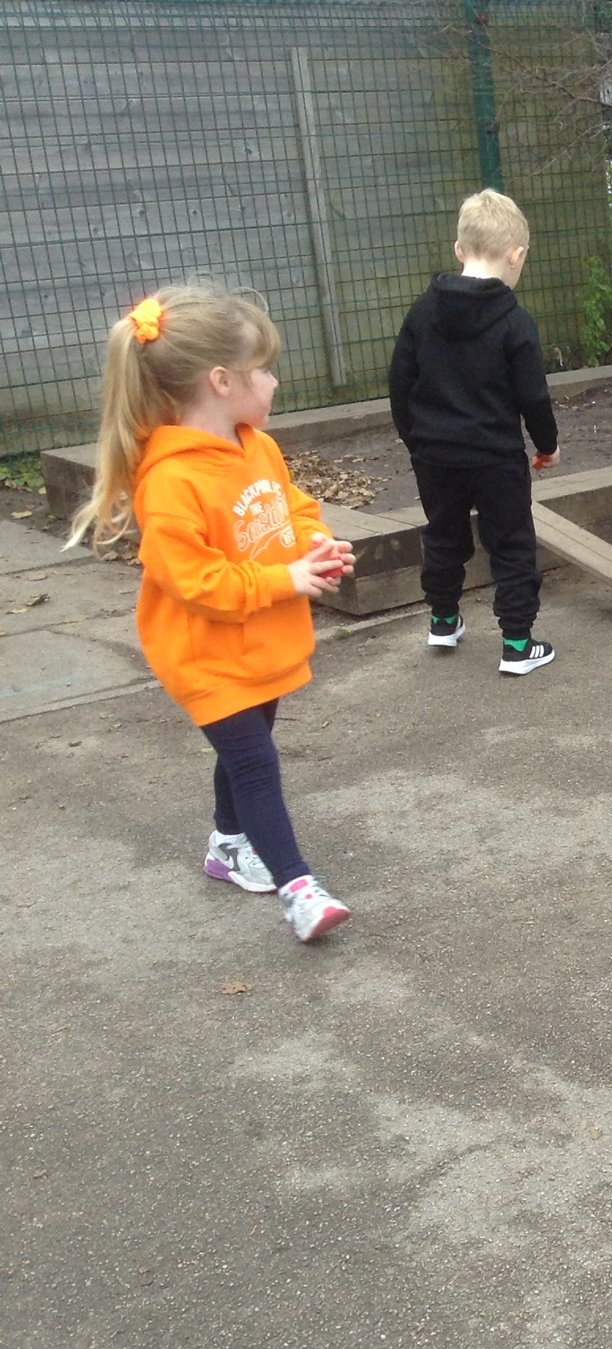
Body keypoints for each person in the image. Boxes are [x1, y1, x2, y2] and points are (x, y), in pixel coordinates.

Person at [70, 288, 355, 943]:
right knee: (255, 763)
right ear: (222, 382)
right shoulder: (169, 484)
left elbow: (293, 505)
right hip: (202, 650)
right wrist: (286, 577)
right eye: (262, 368)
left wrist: (314, 539)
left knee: (247, 749)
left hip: (261, 638)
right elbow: (195, 582)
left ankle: (229, 845)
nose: (274, 379)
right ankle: (299, 889)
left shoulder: (257, 447)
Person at [389, 188, 560, 675]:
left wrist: (415, 438)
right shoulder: (515, 322)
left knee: (443, 534)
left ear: (460, 250)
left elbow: (400, 381)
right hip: (494, 456)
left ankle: (443, 619)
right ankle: (517, 643)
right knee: (510, 542)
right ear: (517, 255)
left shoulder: (422, 312)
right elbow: (533, 395)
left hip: (434, 455)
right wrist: (546, 445)